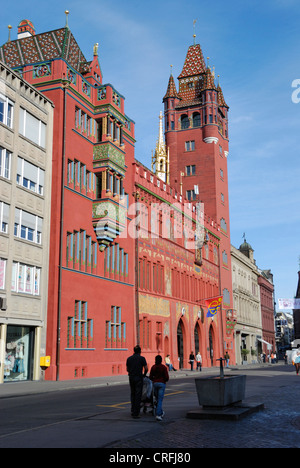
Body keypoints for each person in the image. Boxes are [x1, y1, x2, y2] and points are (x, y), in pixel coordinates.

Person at [126, 345, 148, 419]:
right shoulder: (142, 358)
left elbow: (127, 369)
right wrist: (144, 374)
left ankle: (132, 410)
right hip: (139, 377)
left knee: (133, 394)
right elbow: (146, 368)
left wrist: (131, 372)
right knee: (138, 395)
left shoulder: (129, 359)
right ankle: (136, 413)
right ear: (140, 351)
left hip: (131, 377)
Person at [150, 355, 169, 421]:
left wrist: (154, 380)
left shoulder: (153, 367)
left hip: (155, 384)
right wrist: (164, 381)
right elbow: (166, 377)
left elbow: (150, 377)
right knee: (160, 399)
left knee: (157, 399)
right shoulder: (163, 367)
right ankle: (158, 414)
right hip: (161, 383)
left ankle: (161, 412)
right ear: (161, 360)